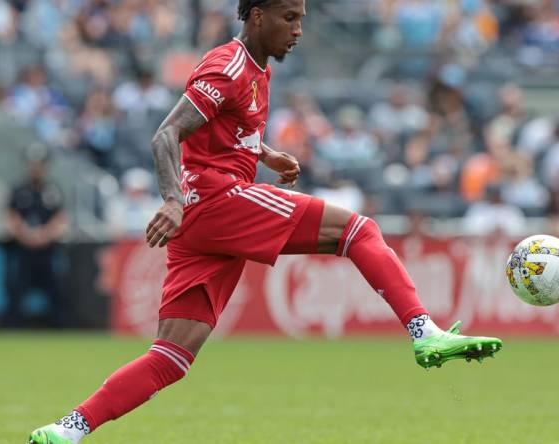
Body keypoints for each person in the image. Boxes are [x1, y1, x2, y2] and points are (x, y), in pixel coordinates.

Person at [28, 2, 502, 442]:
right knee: (358, 231)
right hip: (214, 202)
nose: (298, 30)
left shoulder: (257, 69)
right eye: (289, 17)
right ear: (256, 16)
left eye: (301, 18)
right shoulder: (228, 66)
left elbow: (221, 131)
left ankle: (68, 428)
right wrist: (172, 199)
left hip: (203, 219)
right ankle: (424, 332)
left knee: (171, 357)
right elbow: (166, 135)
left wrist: (266, 154)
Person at [4, 145, 68, 329]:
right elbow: (11, 217)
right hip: (23, 248)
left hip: (47, 249)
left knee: (57, 290)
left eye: (39, 164)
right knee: (16, 289)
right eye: (32, 164)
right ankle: (12, 328)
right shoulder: (18, 190)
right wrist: (26, 234)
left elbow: (61, 219)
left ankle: (62, 328)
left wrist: (44, 235)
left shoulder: (53, 190)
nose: (36, 168)